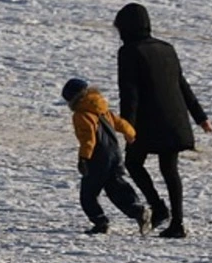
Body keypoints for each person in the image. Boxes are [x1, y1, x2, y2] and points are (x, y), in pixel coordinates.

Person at [114, 3, 212, 239]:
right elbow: (182, 85)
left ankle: (159, 208)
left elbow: (129, 93)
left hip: (149, 122)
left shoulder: (129, 52)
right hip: (175, 120)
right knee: (170, 170)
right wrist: (201, 118)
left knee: (133, 163)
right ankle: (177, 223)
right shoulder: (166, 48)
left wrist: (127, 126)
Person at [62, 78, 152, 235]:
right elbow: (121, 123)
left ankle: (100, 222)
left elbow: (88, 139)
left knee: (88, 194)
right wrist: (131, 135)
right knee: (116, 187)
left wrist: (83, 158)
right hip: (114, 154)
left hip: (97, 157)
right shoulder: (102, 109)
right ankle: (139, 211)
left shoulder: (81, 115)